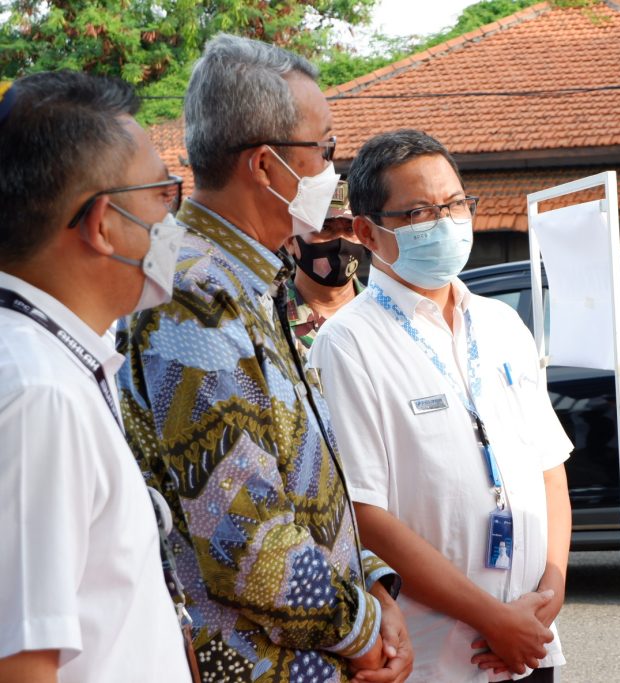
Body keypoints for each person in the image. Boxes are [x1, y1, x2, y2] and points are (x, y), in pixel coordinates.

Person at [116, 35, 412, 683]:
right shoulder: (193, 291)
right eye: (324, 149)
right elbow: (247, 543)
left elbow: (310, 483)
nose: (334, 169)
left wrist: (376, 588)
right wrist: (363, 629)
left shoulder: (252, 278)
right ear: (264, 165)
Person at [308, 129, 572, 682]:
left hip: (530, 644)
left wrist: (550, 592)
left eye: (454, 204)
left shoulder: (502, 324)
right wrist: (492, 618)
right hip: (439, 658)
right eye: (419, 213)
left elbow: (549, 468)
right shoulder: (348, 343)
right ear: (366, 232)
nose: (446, 222)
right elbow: (365, 514)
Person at [0, 72, 190, 681]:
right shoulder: (40, 394)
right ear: (103, 224)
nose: (173, 219)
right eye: (164, 194)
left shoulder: (54, 361)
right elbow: (22, 662)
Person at [285, 181, 366, 364]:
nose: (340, 241)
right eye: (324, 228)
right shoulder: (270, 317)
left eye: (349, 229)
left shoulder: (387, 312)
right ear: (290, 241)